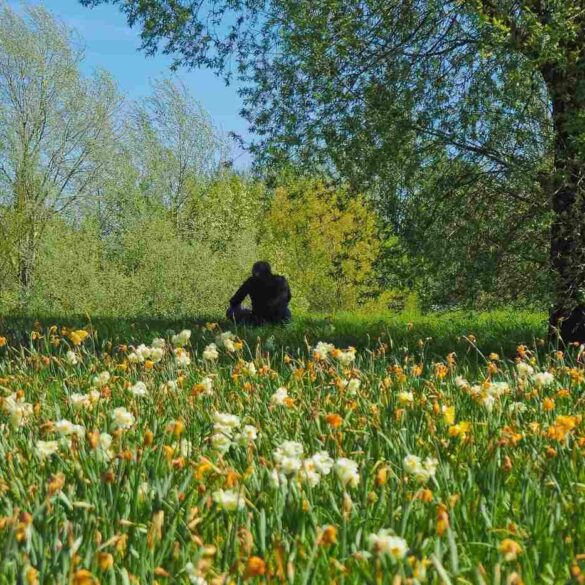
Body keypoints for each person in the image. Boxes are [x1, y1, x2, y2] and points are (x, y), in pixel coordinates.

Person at [226, 261, 292, 325]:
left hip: (259, 319)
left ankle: (259, 322)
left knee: (231, 310)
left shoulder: (251, 281)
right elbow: (288, 298)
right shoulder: (281, 280)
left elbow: (234, 301)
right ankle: (283, 322)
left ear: (254, 271)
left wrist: (246, 310)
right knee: (286, 309)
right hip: (281, 318)